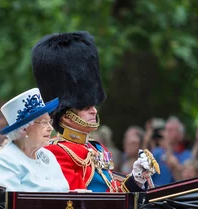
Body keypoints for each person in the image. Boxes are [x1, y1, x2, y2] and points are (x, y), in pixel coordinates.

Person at [31, 31, 158, 192]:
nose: (94, 111)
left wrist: (137, 179)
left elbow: (113, 192)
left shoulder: (97, 149)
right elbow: (84, 203)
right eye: (85, 107)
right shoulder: (56, 153)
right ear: (66, 115)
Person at [0, 88, 68, 192]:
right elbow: (12, 204)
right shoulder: (5, 161)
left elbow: (64, 193)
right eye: (43, 122)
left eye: (49, 122)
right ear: (24, 129)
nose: (50, 128)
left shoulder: (49, 156)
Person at [150, 116, 193, 185]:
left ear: (180, 135)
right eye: (166, 130)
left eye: (170, 130)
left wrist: (168, 148)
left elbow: (180, 174)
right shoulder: (157, 152)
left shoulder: (187, 155)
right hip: (156, 192)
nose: (166, 134)